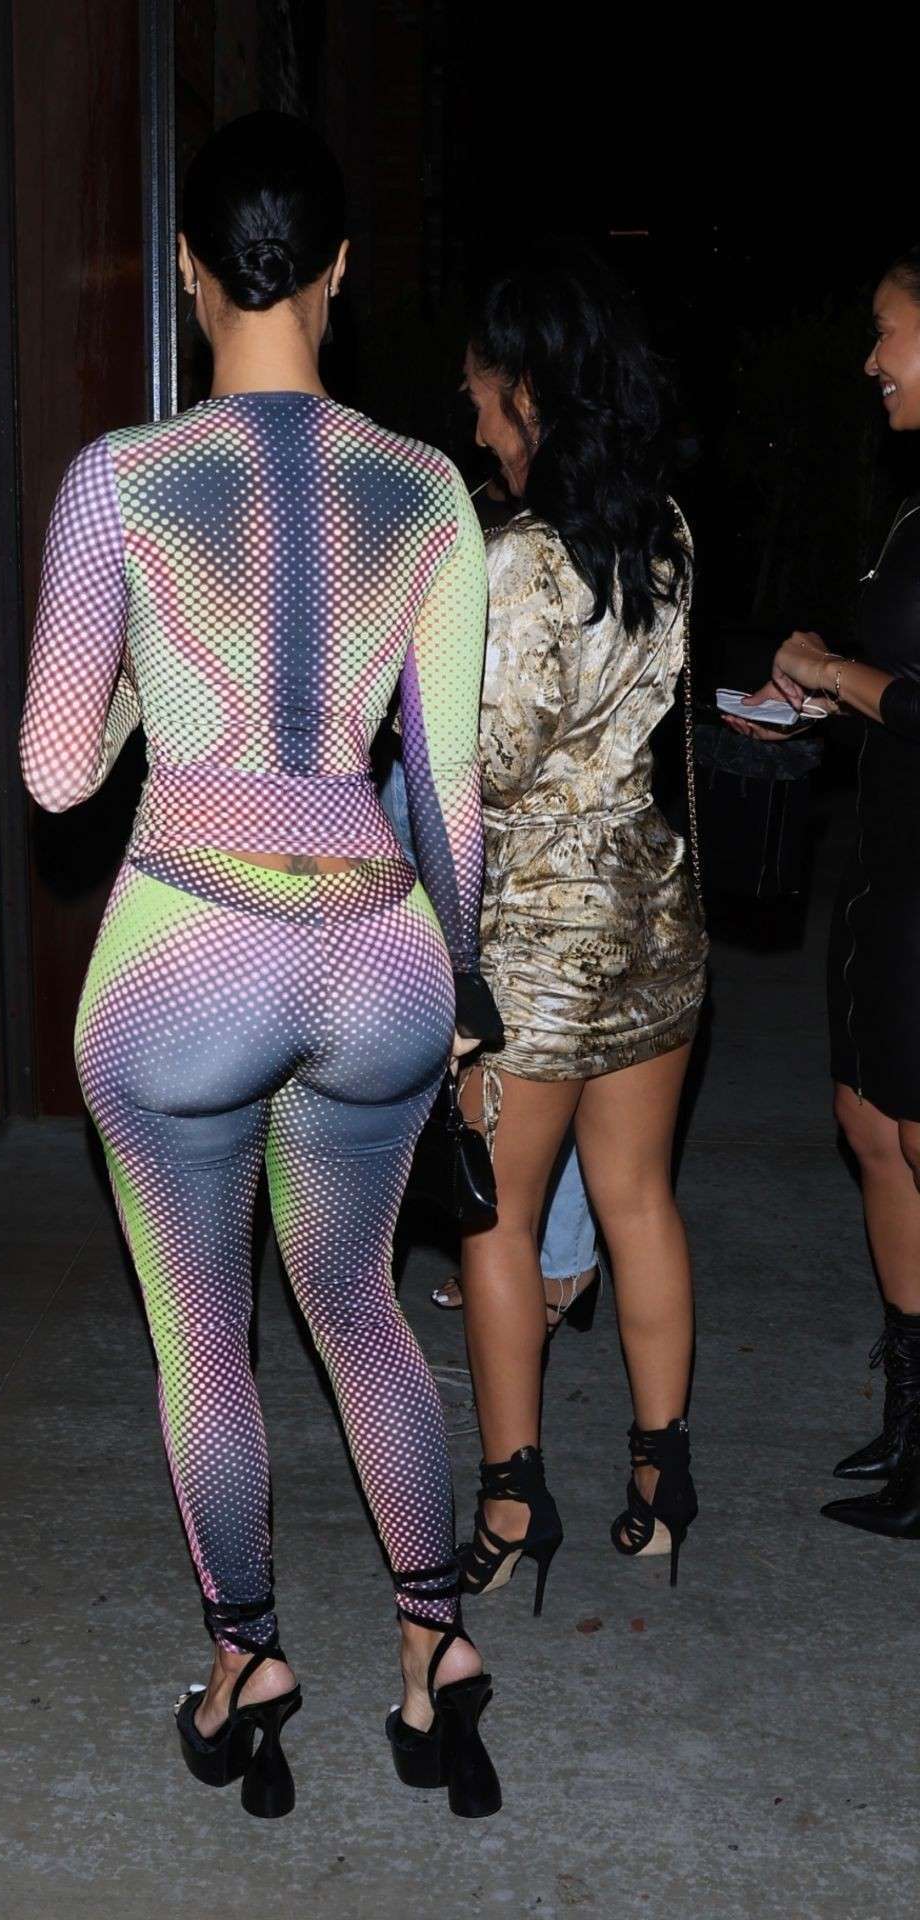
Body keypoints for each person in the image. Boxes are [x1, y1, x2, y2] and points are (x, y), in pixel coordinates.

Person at [21, 112, 502, 1820]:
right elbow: (448, 786)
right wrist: (463, 989)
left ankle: (247, 1659)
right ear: (341, 271)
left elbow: (54, 775)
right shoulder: (430, 488)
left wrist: (147, 691)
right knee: (359, 1301)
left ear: (189, 268)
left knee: (204, 1336)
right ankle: (435, 1644)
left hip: (187, 957)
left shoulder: (121, 479)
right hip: (377, 951)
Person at [454, 241, 708, 1612]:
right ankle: (661, 1488)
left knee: (495, 1221)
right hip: (651, 909)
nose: (475, 426)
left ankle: (511, 1502)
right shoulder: (665, 530)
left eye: (482, 399)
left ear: (530, 393)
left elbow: (495, 762)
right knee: (637, 1199)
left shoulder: (517, 563)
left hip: (539, 938)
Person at [728, 242, 920, 1540]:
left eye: (886, 331)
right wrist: (818, 692)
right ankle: (909, 1430)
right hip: (888, 868)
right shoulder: (910, 501)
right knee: (869, 1126)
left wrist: (834, 674)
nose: (869, 360)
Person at [380, 752, 601, 1326]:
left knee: (537, 1042)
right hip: (420, 773)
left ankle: (550, 1260)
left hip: (541, 806)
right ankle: (542, 1259)